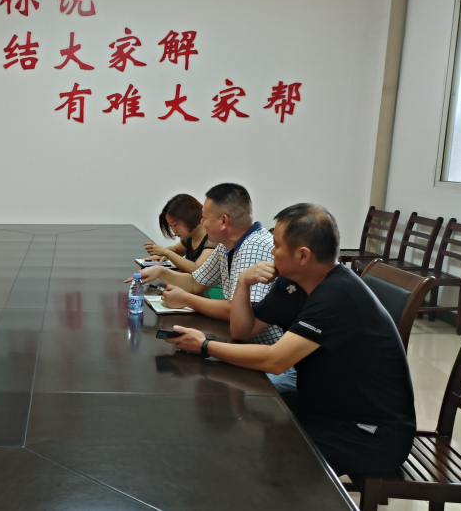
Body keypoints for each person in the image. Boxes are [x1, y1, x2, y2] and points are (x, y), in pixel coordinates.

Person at [166, 203, 416, 476]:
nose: (271, 252)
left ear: (303, 255)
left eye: (276, 245)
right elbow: (243, 331)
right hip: (324, 407)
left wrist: (205, 345)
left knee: (253, 458)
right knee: (233, 433)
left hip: (368, 433)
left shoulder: (337, 295)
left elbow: (276, 360)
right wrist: (243, 284)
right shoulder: (292, 284)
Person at [128, 184, 294, 391]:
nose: (202, 223)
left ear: (223, 221)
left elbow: (240, 314)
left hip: (265, 355)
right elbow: (195, 283)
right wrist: (161, 272)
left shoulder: (255, 247)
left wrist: (186, 299)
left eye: (205, 218)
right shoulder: (226, 245)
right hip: (240, 346)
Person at [143, 194, 216, 273]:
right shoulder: (191, 237)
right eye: (171, 226)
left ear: (189, 217)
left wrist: (166, 252)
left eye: (175, 225)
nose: (174, 230)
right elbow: (175, 250)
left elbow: (196, 269)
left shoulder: (213, 239)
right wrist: (160, 254)